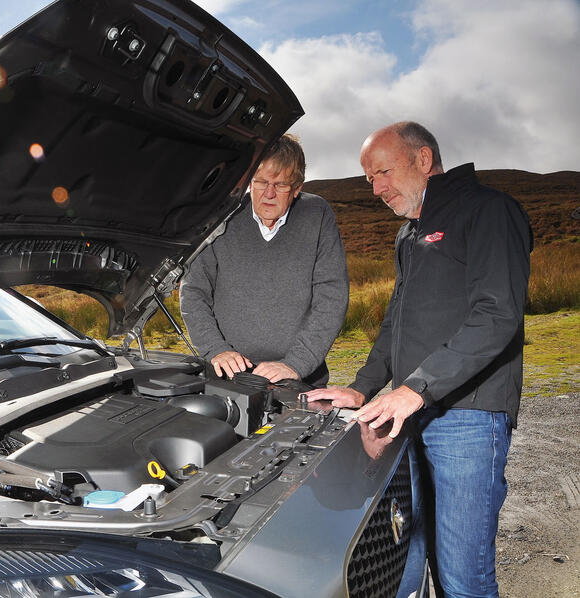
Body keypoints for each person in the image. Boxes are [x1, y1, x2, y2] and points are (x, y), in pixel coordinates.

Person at [306, 122, 532, 597]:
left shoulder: (490, 210)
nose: (377, 189)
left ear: (423, 160)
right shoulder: (410, 234)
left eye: (383, 172)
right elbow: (395, 324)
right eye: (369, 179)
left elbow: (498, 315)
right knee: (406, 560)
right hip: (412, 414)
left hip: (468, 417)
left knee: (463, 577)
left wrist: (416, 388)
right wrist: (363, 386)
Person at [179, 134, 348, 386]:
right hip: (229, 375)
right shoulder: (221, 215)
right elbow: (193, 291)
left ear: (297, 188)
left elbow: (332, 296)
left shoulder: (317, 214)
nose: (268, 193)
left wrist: (296, 363)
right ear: (249, 182)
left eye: (280, 185)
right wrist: (215, 349)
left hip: (299, 378)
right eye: (261, 182)